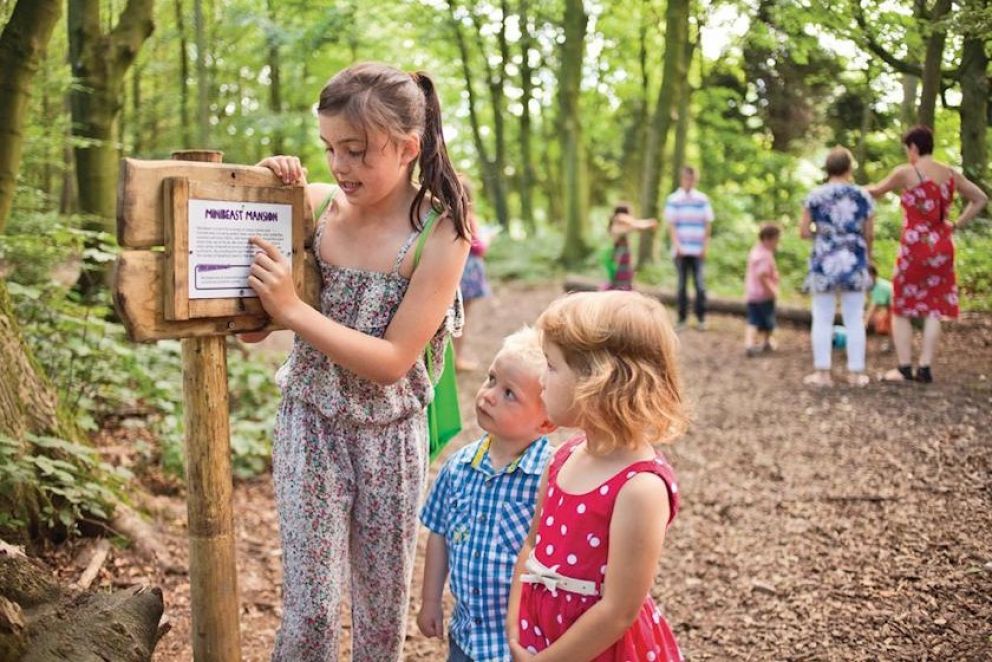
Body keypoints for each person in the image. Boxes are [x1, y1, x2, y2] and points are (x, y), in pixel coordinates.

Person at [243, 62, 470, 661]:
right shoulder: (317, 207)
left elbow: (394, 359)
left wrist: (292, 312)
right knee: (311, 607)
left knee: (379, 607)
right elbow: (248, 235)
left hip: (391, 439)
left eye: (357, 151)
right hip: (310, 424)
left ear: (407, 148)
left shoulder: (440, 234)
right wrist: (270, 179)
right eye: (329, 149)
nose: (340, 166)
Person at [507, 291, 687, 661]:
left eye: (552, 366)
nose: (541, 379)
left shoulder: (640, 488)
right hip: (540, 637)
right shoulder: (564, 456)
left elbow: (618, 611)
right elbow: (531, 546)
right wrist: (515, 627)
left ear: (600, 383)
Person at [418, 327, 556, 662]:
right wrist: (431, 600)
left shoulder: (551, 478)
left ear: (546, 422)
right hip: (467, 633)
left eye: (510, 394)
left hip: (525, 641)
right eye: (491, 379)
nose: (489, 395)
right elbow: (439, 534)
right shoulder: (459, 466)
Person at [866, 125, 988, 383]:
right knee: (934, 307)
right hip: (942, 245)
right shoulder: (951, 173)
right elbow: (980, 199)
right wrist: (955, 224)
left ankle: (903, 367)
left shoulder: (906, 173)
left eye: (907, 149)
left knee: (901, 306)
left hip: (914, 246)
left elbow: (875, 192)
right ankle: (925, 368)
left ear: (913, 148)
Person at [800, 146, 875, 387]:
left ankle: (823, 374)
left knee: (822, 318)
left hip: (824, 259)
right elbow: (869, 233)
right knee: (854, 318)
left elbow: (803, 231)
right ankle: (855, 373)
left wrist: (822, 234)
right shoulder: (862, 196)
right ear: (849, 168)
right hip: (854, 258)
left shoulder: (814, 196)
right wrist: (868, 256)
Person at [665, 165, 714, 329]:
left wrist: (705, 246)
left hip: (697, 250)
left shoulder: (702, 199)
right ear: (682, 179)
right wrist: (677, 245)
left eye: (692, 179)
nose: (689, 182)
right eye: (687, 178)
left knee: (700, 285)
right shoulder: (673, 199)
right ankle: (681, 318)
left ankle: (701, 318)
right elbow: (671, 225)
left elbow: (708, 224)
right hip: (681, 251)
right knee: (681, 286)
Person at [453, 177, 492, 372]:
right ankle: (456, 359)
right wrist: (487, 240)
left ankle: (454, 358)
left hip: (459, 272)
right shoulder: (467, 217)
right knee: (461, 319)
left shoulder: (450, 216)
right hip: (467, 275)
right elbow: (478, 246)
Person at [744, 222, 781, 357]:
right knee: (768, 319)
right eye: (776, 240)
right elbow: (762, 275)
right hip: (764, 295)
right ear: (767, 239)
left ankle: (752, 343)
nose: (777, 243)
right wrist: (772, 290)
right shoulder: (765, 255)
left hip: (752, 294)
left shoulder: (755, 251)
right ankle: (763, 341)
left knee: (753, 320)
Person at [604, 203, 658, 291]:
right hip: (618, 261)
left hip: (624, 261)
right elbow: (632, 222)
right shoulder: (617, 224)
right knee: (619, 285)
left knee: (624, 283)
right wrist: (649, 223)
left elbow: (635, 225)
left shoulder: (624, 227)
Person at [864, 263, 892, 345]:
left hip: (895, 309)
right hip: (891, 308)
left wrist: (865, 323)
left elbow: (873, 307)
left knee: (882, 326)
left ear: (873, 275)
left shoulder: (879, 287)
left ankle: (890, 342)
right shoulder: (876, 284)